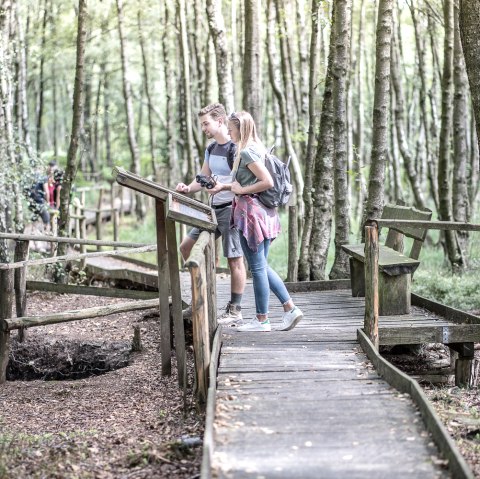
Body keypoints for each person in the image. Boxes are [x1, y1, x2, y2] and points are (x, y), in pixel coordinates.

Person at [226, 111, 303, 332]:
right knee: (262, 266)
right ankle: (290, 309)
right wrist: (226, 187)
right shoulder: (258, 147)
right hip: (264, 213)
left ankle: (262, 320)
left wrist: (241, 190)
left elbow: (266, 181)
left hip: (251, 215)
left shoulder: (248, 152)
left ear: (240, 129)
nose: (229, 133)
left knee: (258, 268)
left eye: (231, 129)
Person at [175, 103, 246, 325]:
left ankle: (235, 308)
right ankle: (202, 297)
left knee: (234, 259)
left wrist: (221, 187)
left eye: (206, 123)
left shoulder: (236, 148)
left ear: (220, 121)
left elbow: (240, 181)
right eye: (202, 124)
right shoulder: (211, 148)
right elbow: (203, 177)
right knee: (186, 246)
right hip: (210, 210)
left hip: (231, 209)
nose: (204, 128)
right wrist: (188, 187)